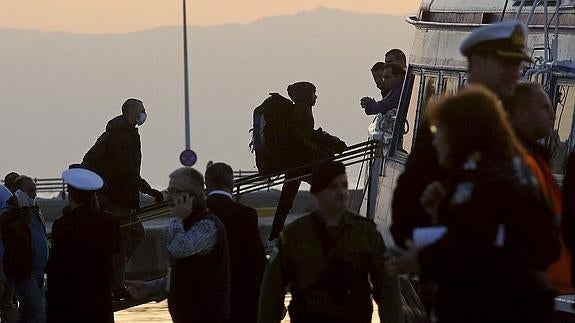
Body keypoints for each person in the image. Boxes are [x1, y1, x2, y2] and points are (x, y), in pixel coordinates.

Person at [387, 86, 560, 322]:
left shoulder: (482, 179)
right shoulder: (509, 168)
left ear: (461, 133)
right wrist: (442, 212)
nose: (435, 140)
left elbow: (472, 247)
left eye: (439, 130)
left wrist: (420, 259)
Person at [391, 21, 532, 248]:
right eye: (507, 63)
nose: (515, 73)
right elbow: (407, 212)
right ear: (477, 62)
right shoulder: (450, 121)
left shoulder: (517, 120)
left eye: (517, 65)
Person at [259, 161, 401, 323]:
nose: (342, 192)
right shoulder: (294, 236)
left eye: (344, 186)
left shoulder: (366, 232)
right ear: (318, 193)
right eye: (334, 187)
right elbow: (272, 292)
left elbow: (387, 288)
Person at [126, 167, 230, 323]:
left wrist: (176, 218)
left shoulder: (207, 225)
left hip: (206, 316)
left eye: (174, 190)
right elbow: (182, 274)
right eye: (169, 190)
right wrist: (150, 288)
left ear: (190, 195)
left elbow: (178, 249)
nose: (169, 196)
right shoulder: (187, 224)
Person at [83, 98, 164, 293]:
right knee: (128, 236)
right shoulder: (123, 136)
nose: (144, 114)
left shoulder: (118, 133)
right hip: (116, 197)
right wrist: (149, 190)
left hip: (115, 195)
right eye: (142, 110)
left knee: (130, 235)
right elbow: (127, 170)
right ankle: (114, 281)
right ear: (131, 112)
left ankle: (114, 278)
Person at [268, 82, 345, 244]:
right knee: (325, 187)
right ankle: (333, 224)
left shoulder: (302, 108)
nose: (316, 96)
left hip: (299, 163)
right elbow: (295, 131)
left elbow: (307, 133)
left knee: (287, 199)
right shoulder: (301, 108)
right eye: (314, 92)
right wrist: (314, 150)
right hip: (299, 163)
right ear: (305, 94)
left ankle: (274, 235)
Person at [46, 168, 120, 323]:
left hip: (71, 298)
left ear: (70, 194)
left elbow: (56, 266)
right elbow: (115, 255)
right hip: (101, 296)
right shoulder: (110, 221)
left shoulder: (63, 224)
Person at [205, 162, 265, 323]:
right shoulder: (246, 215)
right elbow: (257, 261)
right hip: (243, 302)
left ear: (207, 183)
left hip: (205, 305)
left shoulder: (192, 215)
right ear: (232, 183)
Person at [0, 175, 49, 323]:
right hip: (24, 271)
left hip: (38, 271)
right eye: (31, 190)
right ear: (19, 193)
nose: (34, 194)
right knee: (38, 312)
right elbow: (10, 232)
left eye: (35, 190)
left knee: (29, 312)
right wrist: (22, 211)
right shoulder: (9, 213)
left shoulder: (34, 210)